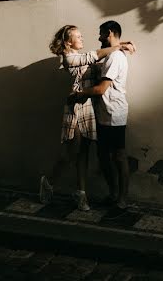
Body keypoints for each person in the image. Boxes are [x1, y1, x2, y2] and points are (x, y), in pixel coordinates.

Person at [42, 24, 134, 211]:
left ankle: (81, 194)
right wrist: (120, 45)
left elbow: (99, 59)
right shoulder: (69, 58)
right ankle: (48, 182)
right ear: (68, 42)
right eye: (78, 36)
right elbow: (92, 56)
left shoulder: (89, 59)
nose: (83, 38)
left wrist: (122, 44)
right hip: (76, 107)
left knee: (84, 154)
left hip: (90, 108)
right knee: (72, 153)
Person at [69, 20, 130, 210]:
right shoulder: (110, 55)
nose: (98, 37)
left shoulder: (115, 58)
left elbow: (102, 89)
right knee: (103, 156)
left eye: (101, 33)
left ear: (110, 32)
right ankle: (113, 194)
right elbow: (96, 54)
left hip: (114, 113)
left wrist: (79, 94)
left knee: (118, 156)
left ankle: (122, 198)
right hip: (103, 113)